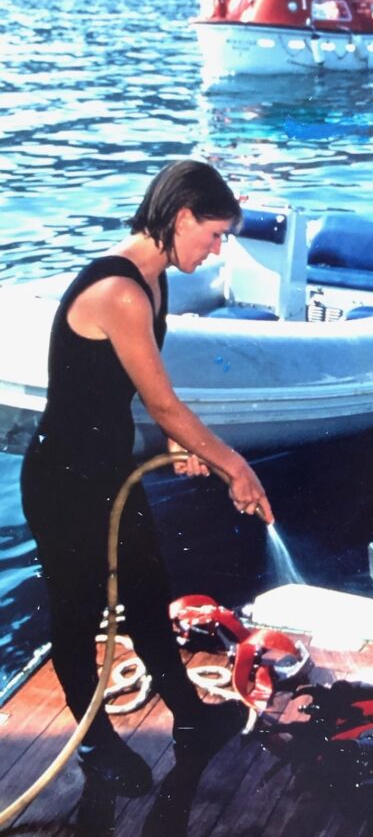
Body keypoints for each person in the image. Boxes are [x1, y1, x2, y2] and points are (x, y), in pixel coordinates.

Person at [21, 160, 274, 797]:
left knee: (147, 585)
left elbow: (137, 387)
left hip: (111, 469)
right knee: (77, 613)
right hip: (64, 478)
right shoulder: (121, 290)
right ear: (182, 217)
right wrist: (232, 465)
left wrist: (170, 445)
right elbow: (163, 402)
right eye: (214, 234)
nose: (218, 250)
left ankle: (188, 718)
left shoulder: (153, 281)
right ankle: (95, 746)